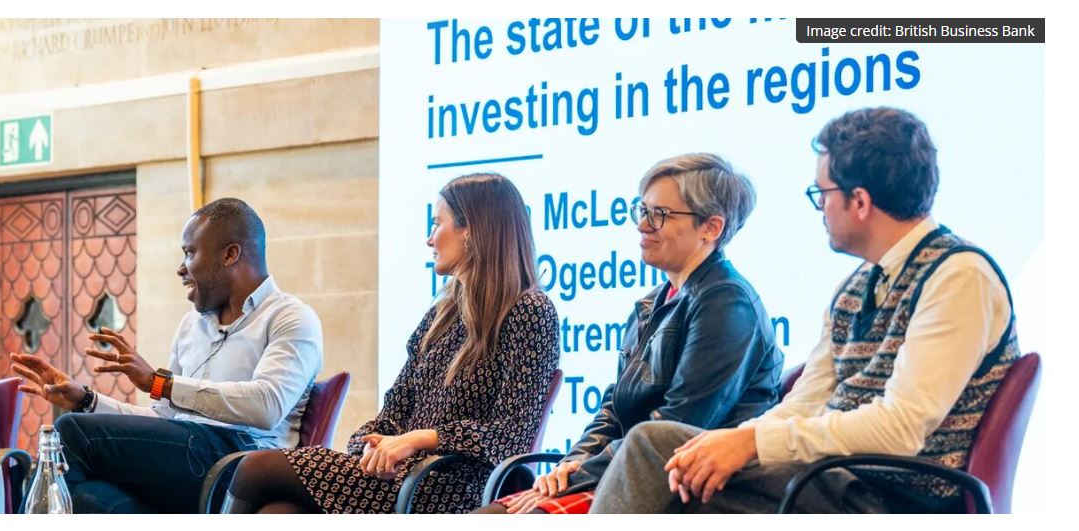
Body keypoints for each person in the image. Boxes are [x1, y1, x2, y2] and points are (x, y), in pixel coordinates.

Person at [590, 107, 1022, 514]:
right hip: (831, 478)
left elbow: (900, 429)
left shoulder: (958, 276)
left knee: (654, 451)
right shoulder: (854, 288)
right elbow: (805, 402)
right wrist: (732, 443)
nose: (820, 208)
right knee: (669, 450)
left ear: (859, 201)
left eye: (822, 194)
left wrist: (753, 444)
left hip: (894, 497)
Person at [222, 172, 560, 514]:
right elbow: (393, 412)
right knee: (278, 512)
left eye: (437, 224)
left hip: (455, 488)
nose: (429, 239)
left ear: (471, 230)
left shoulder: (530, 311)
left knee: (256, 468)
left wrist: (419, 439)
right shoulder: (440, 317)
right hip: (403, 479)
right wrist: (370, 445)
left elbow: (512, 435)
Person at [476, 154, 783, 514]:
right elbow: (614, 408)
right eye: (642, 210)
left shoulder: (727, 302)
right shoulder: (652, 302)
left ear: (711, 227)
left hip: (683, 489)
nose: (642, 225)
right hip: (627, 472)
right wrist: (569, 466)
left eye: (660, 214)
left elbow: (678, 425)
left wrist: (581, 476)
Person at [10, 197, 324, 513]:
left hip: (242, 466)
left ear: (230, 254)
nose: (181, 268)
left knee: (70, 431)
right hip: (184, 463)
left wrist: (162, 383)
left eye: (190, 253)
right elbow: (165, 420)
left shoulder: (290, 317)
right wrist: (87, 400)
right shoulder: (191, 325)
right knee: (85, 498)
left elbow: (267, 406)